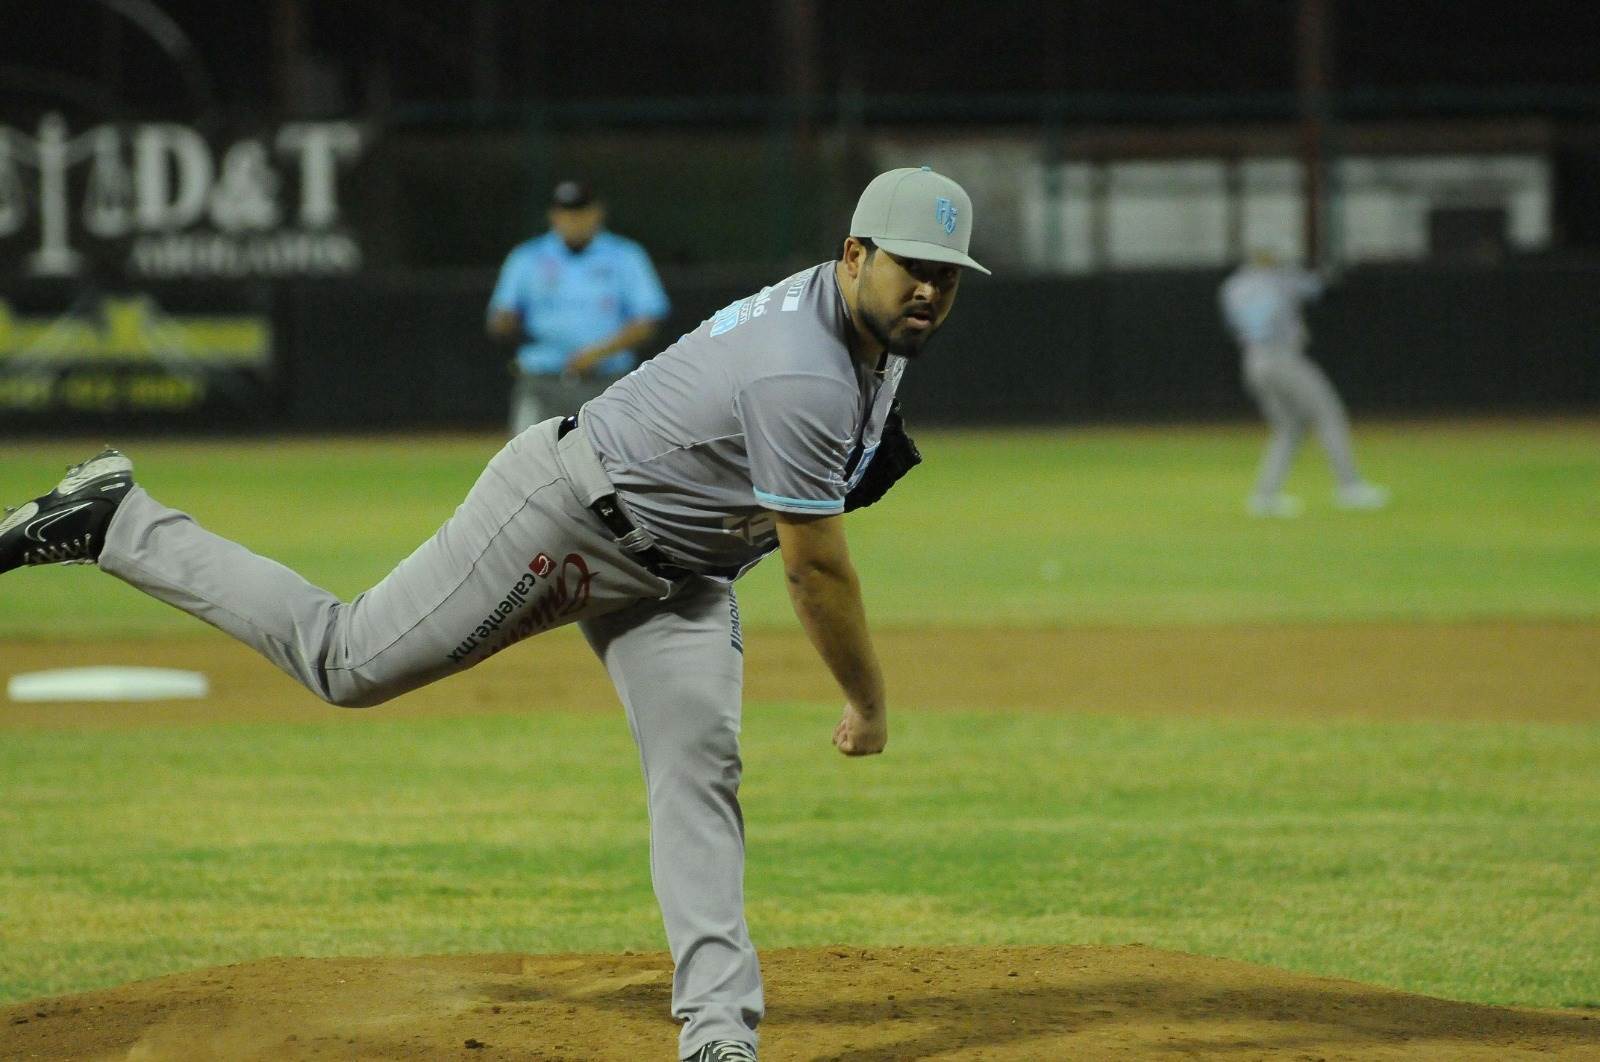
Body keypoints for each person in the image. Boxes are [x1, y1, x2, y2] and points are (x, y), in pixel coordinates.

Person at [0, 166, 988, 1062]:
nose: (931, 292)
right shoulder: (802, 368)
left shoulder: (869, 331)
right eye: (913, 267)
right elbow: (816, 571)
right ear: (853, 254)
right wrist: (868, 701)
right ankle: (119, 522)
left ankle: (719, 1035)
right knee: (348, 661)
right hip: (566, 520)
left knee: (699, 770)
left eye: (947, 274)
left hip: (682, 574)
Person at [488, 179, 671, 437]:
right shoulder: (527, 257)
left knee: (612, 465)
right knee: (526, 466)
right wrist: (507, 323)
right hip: (542, 381)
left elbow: (648, 321)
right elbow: (500, 317)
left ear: (597, 212)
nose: (574, 219)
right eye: (566, 212)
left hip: (607, 383)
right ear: (554, 215)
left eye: (581, 211)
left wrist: (598, 352)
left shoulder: (625, 255)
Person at [1219, 249, 1389, 517]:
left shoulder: (1233, 286)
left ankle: (1265, 496)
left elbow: (1233, 324)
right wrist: (1328, 271)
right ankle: (1350, 487)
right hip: (1284, 358)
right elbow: (1317, 288)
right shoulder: (1279, 279)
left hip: (1253, 361)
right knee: (1329, 414)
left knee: (1288, 428)